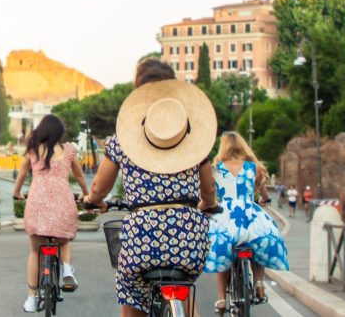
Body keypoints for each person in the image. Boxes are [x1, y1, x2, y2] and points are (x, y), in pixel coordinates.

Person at [82, 59, 218, 317]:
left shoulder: (122, 141)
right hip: (189, 240)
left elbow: (99, 188)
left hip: (141, 240)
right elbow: (208, 192)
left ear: (139, 93)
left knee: (131, 291)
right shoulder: (192, 137)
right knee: (185, 287)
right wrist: (208, 206)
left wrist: (92, 199)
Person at [205, 132, 290, 314]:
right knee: (260, 239)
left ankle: (221, 298)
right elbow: (263, 192)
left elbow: (209, 193)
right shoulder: (253, 168)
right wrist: (265, 199)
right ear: (242, 146)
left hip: (225, 214)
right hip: (248, 214)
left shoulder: (216, 168)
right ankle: (258, 281)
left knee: (222, 251)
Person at [11, 114, 89, 313]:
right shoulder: (69, 151)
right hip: (63, 202)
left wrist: (17, 193)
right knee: (64, 241)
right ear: (60, 132)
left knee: (35, 251)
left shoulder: (33, 150)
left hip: (37, 203)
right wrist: (85, 194)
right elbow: (80, 176)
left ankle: (31, 298)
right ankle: (67, 268)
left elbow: (21, 174)